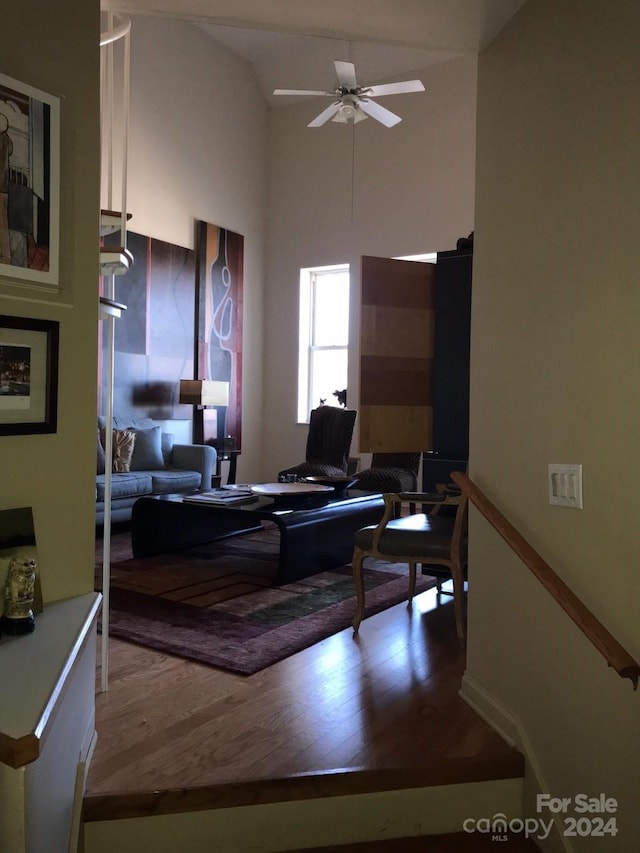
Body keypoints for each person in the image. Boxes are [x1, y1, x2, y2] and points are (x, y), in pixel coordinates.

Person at [0, 111, 13, 265]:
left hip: (2, 187)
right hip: (4, 187)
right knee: (3, 222)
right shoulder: (6, 140)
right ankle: (5, 254)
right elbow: (10, 150)